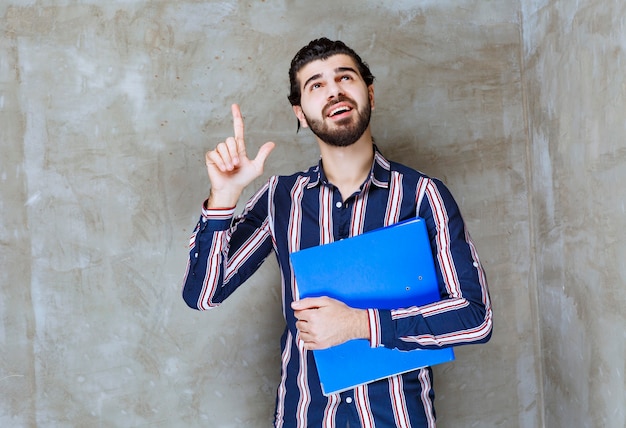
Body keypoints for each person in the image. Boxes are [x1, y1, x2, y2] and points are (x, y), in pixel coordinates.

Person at [182, 37, 493, 428]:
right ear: (300, 111)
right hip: (303, 416)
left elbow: (476, 318)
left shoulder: (423, 195)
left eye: (345, 77)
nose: (334, 91)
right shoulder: (281, 198)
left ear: (370, 94)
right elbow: (202, 294)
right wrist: (223, 199)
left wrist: (360, 324)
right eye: (316, 85)